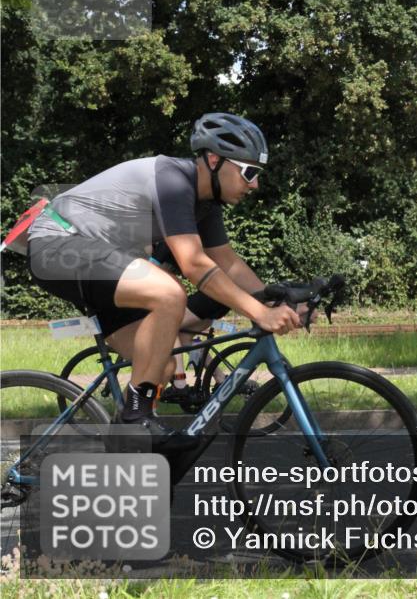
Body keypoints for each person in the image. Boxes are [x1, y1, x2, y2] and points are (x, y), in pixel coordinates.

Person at [27, 113, 302, 452]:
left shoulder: (206, 205)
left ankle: (123, 449)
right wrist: (259, 313)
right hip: (59, 243)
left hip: (99, 258)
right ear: (213, 160)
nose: (255, 184)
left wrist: (278, 303)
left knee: (163, 365)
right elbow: (194, 265)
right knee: (169, 293)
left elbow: (228, 263)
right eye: (249, 172)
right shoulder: (173, 180)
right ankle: (135, 418)